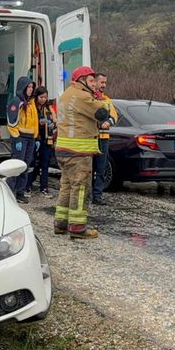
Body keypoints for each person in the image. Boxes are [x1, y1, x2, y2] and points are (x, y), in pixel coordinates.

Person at [54, 66, 111, 239]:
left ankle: (60, 224)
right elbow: (102, 113)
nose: (94, 84)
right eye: (91, 80)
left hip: (63, 149)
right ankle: (78, 228)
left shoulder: (65, 95)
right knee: (80, 189)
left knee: (66, 187)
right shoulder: (83, 96)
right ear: (81, 80)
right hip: (79, 152)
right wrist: (102, 100)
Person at [6, 76, 38, 203]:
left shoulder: (31, 103)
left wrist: (36, 138)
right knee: (16, 165)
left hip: (30, 138)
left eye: (31, 87)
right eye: (28, 87)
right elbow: (11, 121)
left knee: (25, 165)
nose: (30, 89)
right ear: (22, 88)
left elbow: (34, 121)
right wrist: (16, 137)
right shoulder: (17, 102)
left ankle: (20, 192)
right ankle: (9, 191)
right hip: (20, 137)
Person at [91, 73, 119, 205]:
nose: (104, 85)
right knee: (88, 168)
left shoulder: (107, 100)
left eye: (105, 83)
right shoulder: (89, 98)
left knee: (101, 169)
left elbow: (114, 115)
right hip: (90, 138)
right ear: (94, 82)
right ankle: (86, 195)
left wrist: (109, 122)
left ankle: (97, 196)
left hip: (103, 138)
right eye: (102, 82)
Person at [27, 86, 56, 197]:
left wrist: (53, 123)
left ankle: (44, 188)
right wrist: (39, 122)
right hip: (34, 138)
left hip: (46, 139)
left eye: (45, 97)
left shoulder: (48, 108)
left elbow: (55, 118)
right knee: (32, 162)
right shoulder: (32, 106)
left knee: (45, 164)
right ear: (36, 96)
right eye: (41, 97)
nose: (43, 99)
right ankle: (28, 186)